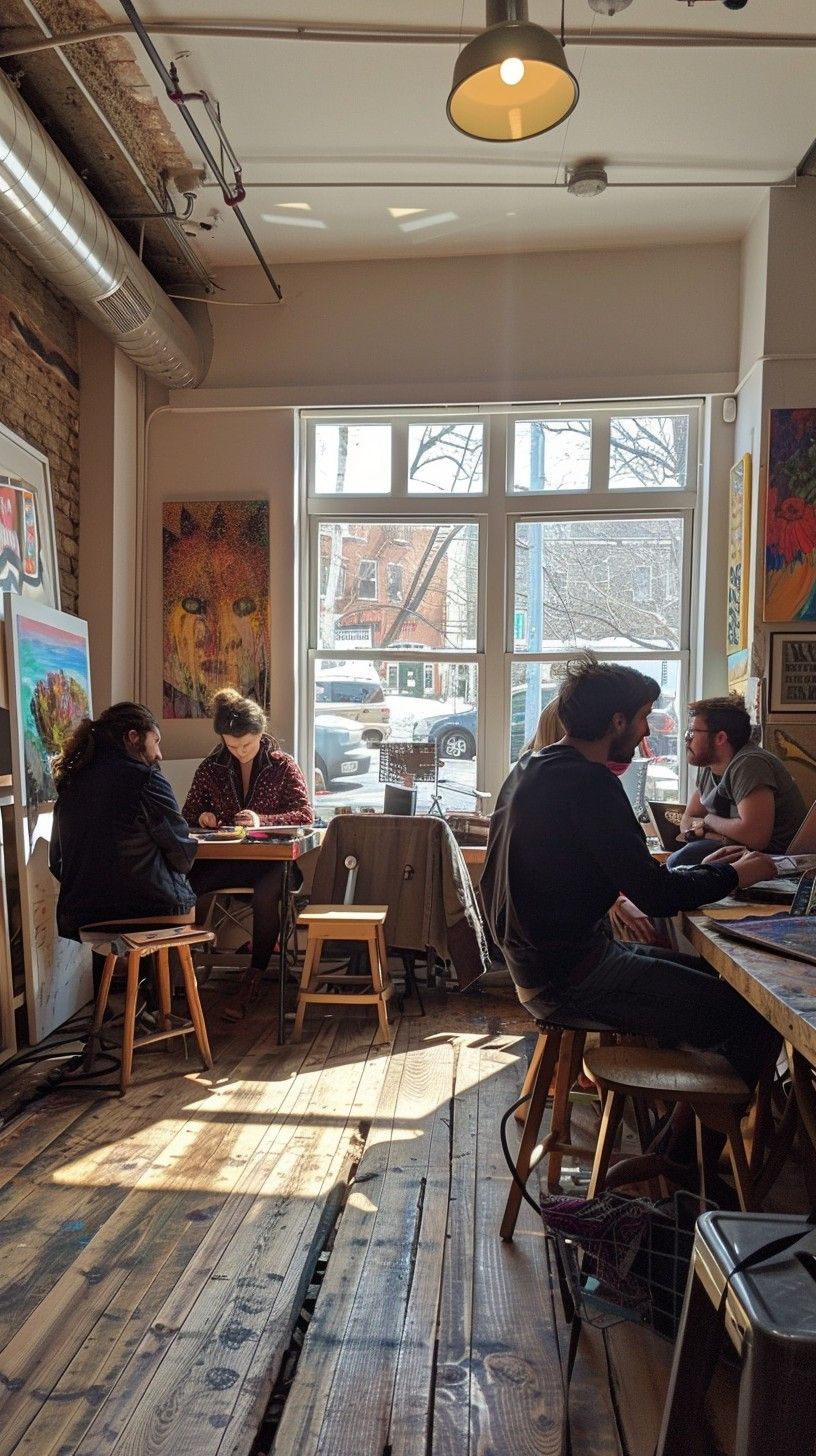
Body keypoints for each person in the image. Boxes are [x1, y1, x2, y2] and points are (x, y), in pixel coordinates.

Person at [481, 655, 781, 1114]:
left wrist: (708, 871)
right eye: (642, 719)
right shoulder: (590, 784)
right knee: (755, 1017)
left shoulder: (531, 769)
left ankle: (684, 1134)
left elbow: (638, 879)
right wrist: (736, 874)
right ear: (616, 721)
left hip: (544, 966)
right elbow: (655, 895)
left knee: (735, 990)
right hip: (569, 978)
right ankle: (674, 1159)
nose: (646, 732)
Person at [49, 702, 197, 997]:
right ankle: (159, 1005)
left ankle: (116, 1013)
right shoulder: (146, 779)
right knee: (178, 894)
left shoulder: (71, 782)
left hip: (84, 913)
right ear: (133, 736)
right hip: (148, 907)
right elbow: (183, 856)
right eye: (155, 741)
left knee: (133, 896)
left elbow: (57, 862)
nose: (159, 754)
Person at [183, 688, 312, 1017]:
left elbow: (304, 814)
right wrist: (202, 817)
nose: (240, 752)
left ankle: (253, 978)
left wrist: (261, 820)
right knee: (183, 885)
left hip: (272, 864)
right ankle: (177, 972)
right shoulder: (212, 766)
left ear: (261, 733)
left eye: (247, 744)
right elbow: (186, 814)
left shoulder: (283, 765)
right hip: (229, 861)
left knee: (268, 893)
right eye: (232, 745)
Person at [670, 694, 806, 866]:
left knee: (680, 863)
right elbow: (689, 819)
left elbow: (755, 837)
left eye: (692, 732)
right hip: (740, 852)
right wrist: (713, 833)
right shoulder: (708, 766)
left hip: (774, 861)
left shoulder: (750, 764)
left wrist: (709, 821)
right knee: (678, 864)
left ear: (720, 738)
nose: (687, 738)